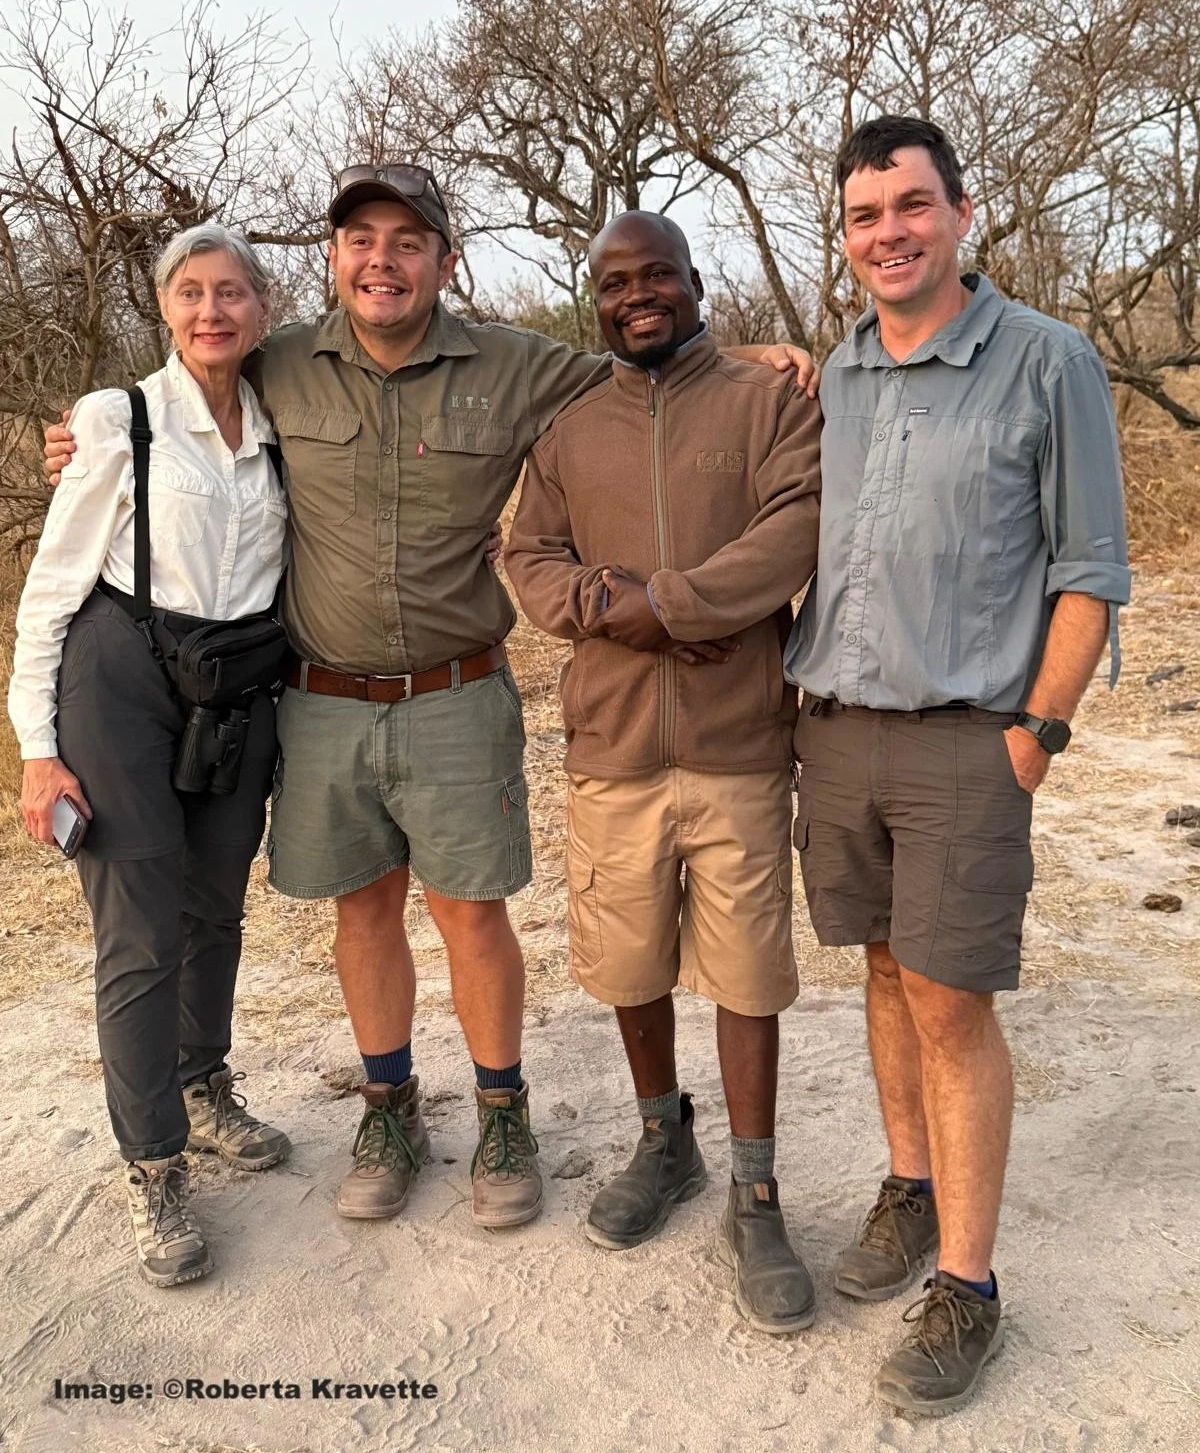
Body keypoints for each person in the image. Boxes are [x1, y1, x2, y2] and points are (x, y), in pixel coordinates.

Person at [44, 164, 818, 1233]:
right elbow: (191, 381)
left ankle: (503, 1110)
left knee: (469, 911)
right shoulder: (279, 364)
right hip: (320, 695)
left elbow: (648, 360)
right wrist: (88, 437)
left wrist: (753, 362)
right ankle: (389, 1105)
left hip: (457, 690)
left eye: (408, 240)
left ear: (445, 262)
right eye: (360, 238)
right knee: (364, 908)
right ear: (331, 260)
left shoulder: (513, 365)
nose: (382, 259)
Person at [787, 117, 1130, 1411]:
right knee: (883, 969)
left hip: (970, 742)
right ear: (847, 233)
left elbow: (1093, 570)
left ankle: (969, 1285)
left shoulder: (1049, 362)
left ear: (962, 211)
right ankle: (908, 1185)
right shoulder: (842, 371)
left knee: (950, 1000)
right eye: (866, 214)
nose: (890, 232)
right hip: (838, 731)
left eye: (911, 206)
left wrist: (1034, 738)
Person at [506, 212, 822, 1331]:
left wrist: (676, 600)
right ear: (594, 298)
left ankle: (756, 1185)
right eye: (615, 282)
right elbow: (528, 559)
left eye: (659, 277)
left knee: (746, 975)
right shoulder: (570, 423)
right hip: (614, 749)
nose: (639, 296)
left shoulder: (766, 401)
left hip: (741, 743)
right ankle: (663, 1138)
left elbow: (798, 528)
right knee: (629, 958)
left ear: (696, 283)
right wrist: (620, 612)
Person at [10, 224, 291, 1287]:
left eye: (232, 293)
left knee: (217, 901)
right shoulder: (113, 420)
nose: (212, 311)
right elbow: (51, 588)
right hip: (120, 677)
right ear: (164, 310)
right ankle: (155, 1161)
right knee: (139, 921)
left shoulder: (281, 424)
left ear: (264, 309)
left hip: (237, 687)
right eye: (190, 293)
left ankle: (203, 1082)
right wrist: (39, 750)